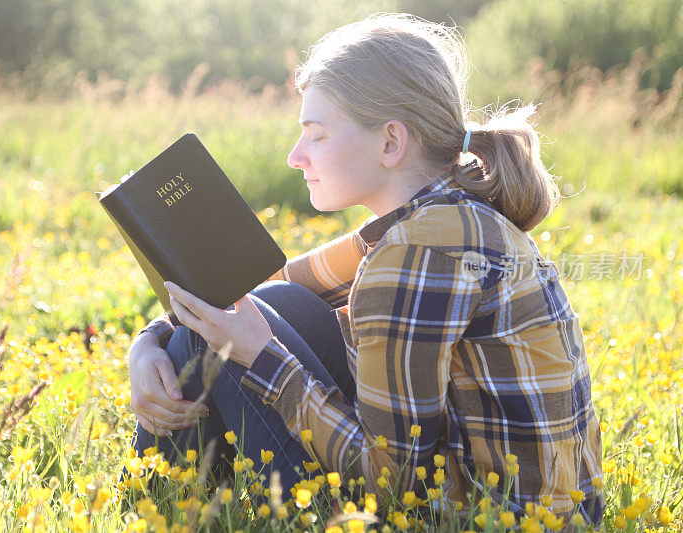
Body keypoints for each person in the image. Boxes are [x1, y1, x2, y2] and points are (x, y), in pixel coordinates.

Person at [128, 13, 603, 524]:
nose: (295, 157)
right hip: (550, 513)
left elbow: (394, 482)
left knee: (212, 343)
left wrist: (259, 355)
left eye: (318, 135)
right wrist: (148, 341)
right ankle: (189, 502)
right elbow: (266, 289)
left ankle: (161, 508)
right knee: (281, 306)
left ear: (391, 143)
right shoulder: (445, 215)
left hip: (482, 521)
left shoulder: (416, 255)